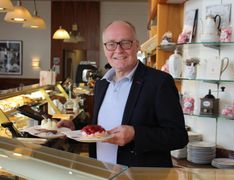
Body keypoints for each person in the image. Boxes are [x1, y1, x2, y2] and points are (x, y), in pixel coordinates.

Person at [58, 20, 188, 167]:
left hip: (139, 176)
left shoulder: (159, 82)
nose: (118, 50)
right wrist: (75, 126)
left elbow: (178, 137)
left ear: (137, 45)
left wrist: (135, 134)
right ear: (104, 48)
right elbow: (102, 125)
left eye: (125, 43)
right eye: (111, 44)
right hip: (101, 172)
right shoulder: (101, 84)